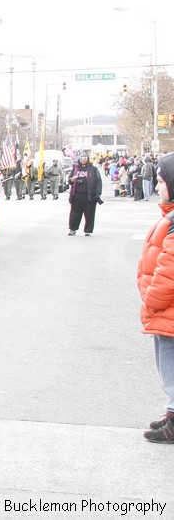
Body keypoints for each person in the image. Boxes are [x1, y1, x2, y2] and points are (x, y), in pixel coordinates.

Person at [138, 152, 174, 444]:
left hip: (167, 308)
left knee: (171, 367)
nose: (158, 186)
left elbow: (169, 270)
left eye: (161, 181)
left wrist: (152, 300)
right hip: (165, 311)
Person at [68, 153, 103, 236]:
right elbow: (69, 180)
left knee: (89, 214)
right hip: (76, 195)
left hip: (89, 195)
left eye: (85, 158)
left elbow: (98, 181)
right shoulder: (75, 168)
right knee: (74, 214)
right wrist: (71, 180)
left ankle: (88, 230)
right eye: (81, 158)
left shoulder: (93, 169)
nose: (83, 159)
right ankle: (72, 229)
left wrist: (98, 193)